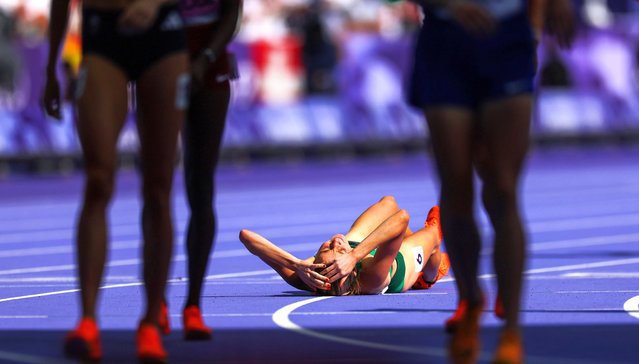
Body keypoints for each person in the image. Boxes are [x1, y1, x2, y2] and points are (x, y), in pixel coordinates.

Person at [404, 1, 576, 363]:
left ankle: (511, 331)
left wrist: (542, 18)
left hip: (507, 35)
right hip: (446, 39)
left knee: (502, 188)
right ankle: (470, 299)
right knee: (456, 185)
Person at [43, 0, 189, 362]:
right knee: (98, 179)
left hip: (163, 33)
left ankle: (151, 322)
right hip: (100, 34)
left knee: (158, 186)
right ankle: (88, 321)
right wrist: (50, 67)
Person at [158, 0, 243, 341]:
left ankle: (193, 305)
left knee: (200, 185)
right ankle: (156, 303)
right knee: (157, 184)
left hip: (210, 58)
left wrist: (205, 57)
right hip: (160, 52)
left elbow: (232, 11)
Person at [239, 196, 450, 296]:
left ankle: (393, 238)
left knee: (388, 203)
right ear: (347, 271)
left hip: (358, 245)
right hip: (397, 262)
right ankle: (428, 277)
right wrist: (354, 255)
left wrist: (295, 264)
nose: (335, 241)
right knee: (432, 236)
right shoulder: (371, 277)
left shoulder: (308, 278)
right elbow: (402, 218)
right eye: (337, 250)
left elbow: (247, 237)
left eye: (325, 248)